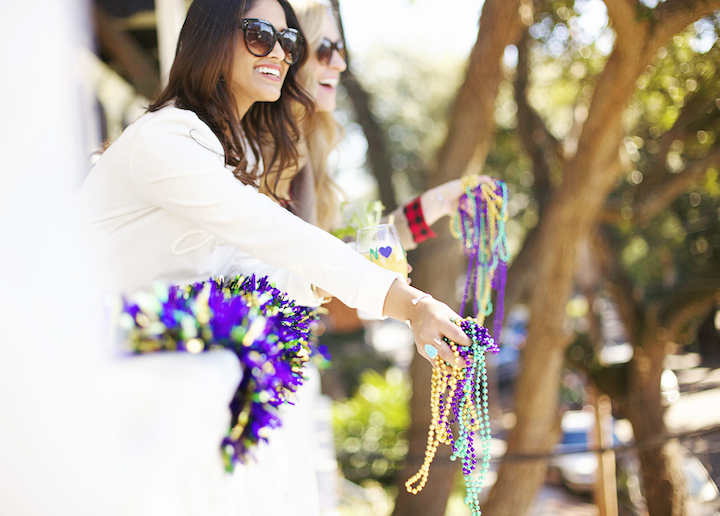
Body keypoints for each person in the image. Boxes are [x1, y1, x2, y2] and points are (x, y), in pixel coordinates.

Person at [70, 0, 469, 513]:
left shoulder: (238, 152)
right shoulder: (166, 139)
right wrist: (409, 303)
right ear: (210, 37)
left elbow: (260, 267)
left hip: (167, 382)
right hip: (89, 379)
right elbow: (280, 236)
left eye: (291, 42)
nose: (282, 53)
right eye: (261, 34)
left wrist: (355, 273)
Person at [263, 0, 490, 254]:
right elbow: (321, 263)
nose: (339, 64)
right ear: (290, 51)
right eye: (324, 50)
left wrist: (439, 202)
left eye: (341, 50)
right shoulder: (248, 149)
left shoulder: (308, 149)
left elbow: (339, 252)